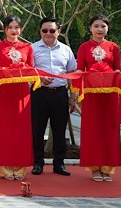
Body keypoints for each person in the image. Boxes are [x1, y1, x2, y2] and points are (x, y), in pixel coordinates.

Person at [76, 14, 121, 182]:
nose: (99, 29)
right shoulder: (83, 47)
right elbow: (80, 69)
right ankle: (94, 168)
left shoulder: (113, 47)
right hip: (91, 96)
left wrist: (113, 74)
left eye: (103, 26)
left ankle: (107, 168)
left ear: (107, 28)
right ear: (90, 28)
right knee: (93, 130)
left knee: (109, 129)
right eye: (96, 26)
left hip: (109, 95)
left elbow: (117, 69)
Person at [0, 14, 34, 180]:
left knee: (21, 131)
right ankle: (5, 168)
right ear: (5, 29)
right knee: (4, 130)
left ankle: (20, 168)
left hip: (22, 93)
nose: (14, 31)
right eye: (10, 28)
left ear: (20, 29)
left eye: (16, 27)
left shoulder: (27, 47)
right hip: (4, 93)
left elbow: (31, 69)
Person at [30, 16, 75, 177]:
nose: (48, 33)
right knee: (37, 129)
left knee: (59, 129)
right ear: (40, 31)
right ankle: (37, 163)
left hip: (60, 94)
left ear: (59, 31)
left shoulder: (66, 50)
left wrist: (73, 96)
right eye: (44, 30)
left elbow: (72, 73)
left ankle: (59, 163)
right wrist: (39, 79)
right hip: (39, 94)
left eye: (52, 30)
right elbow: (28, 72)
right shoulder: (32, 49)